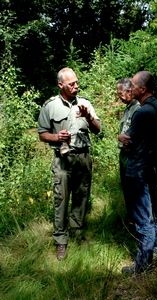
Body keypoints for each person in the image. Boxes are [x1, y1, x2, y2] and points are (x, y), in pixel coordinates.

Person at [38, 67, 101, 260]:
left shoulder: (85, 103)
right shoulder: (50, 106)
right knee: (61, 199)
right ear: (61, 85)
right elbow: (42, 134)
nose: (76, 86)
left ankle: (77, 232)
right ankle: (61, 241)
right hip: (62, 159)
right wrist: (57, 137)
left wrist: (88, 117)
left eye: (77, 82)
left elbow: (98, 129)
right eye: (72, 83)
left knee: (82, 196)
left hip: (83, 158)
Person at [118, 70, 157, 274]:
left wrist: (121, 138)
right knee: (155, 209)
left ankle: (142, 266)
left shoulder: (142, 112)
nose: (131, 88)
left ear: (142, 89)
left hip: (138, 170)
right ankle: (156, 247)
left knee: (142, 220)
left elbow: (129, 141)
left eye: (134, 85)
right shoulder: (156, 107)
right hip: (150, 166)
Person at [116, 78, 140, 221]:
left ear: (129, 91)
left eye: (120, 93)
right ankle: (131, 219)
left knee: (135, 190)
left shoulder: (138, 108)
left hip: (133, 155)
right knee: (127, 188)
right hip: (125, 154)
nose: (119, 96)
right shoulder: (128, 107)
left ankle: (138, 220)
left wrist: (123, 138)